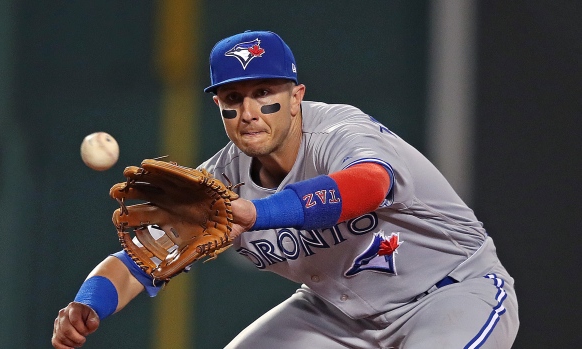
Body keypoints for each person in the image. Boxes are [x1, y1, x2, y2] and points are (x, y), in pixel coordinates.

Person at [52, 30, 519, 349]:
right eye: (233, 99)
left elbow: (370, 185)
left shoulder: (341, 132)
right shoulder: (217, 183)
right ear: (219, 106)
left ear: (296, 96)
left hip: (449, 292)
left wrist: (263, 213)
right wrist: (86, 306)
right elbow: (138, 261)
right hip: (336, 316)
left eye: (264, 92)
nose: (250, 110)